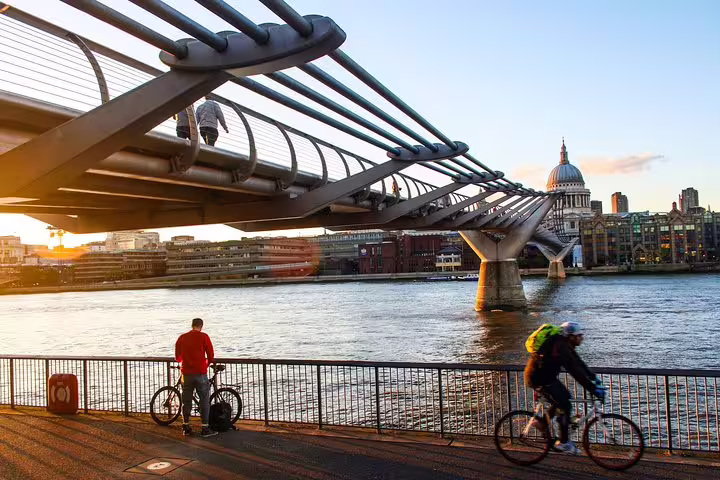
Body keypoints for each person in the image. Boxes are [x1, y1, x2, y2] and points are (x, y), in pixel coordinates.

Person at [524, 321, 605, 454]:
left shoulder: (565, 345)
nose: (581, 338)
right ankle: (563, 443)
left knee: (565, 398)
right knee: (565, 405)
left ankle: (542, 423)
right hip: (538, 379)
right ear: (571, 336)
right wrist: (593, 389)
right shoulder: (561, 347)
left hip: (546, 377)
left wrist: (593, 378)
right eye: (579, 335)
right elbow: (574, 371)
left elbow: (579, 363)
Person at [175, 317, 216, 437]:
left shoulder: (182, 337)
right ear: (201, 326)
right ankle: (205, 428)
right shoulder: (204, 337)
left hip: (186, 374)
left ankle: (186, 426)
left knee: (186, 400)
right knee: (204, 400)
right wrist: (206, 364)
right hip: (200, 373)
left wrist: (186, 361)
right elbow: (211, 354)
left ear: (192, 325)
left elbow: (178, 357)